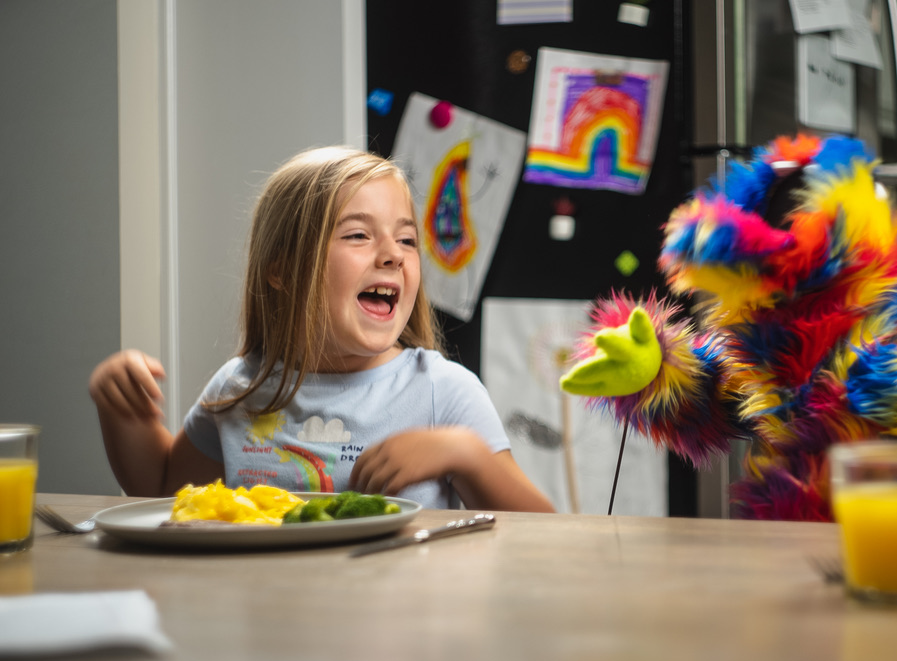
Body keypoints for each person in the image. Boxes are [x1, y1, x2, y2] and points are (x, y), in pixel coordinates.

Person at [89, 146, 555, 513]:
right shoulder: (242, 386)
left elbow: (541, 535)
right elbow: (163, 492)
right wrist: (124, 414)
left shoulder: (442, 393)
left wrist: (466, 454)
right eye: (358, 234)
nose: (392, 254)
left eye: (407, 239)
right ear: (283, 271)